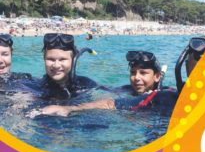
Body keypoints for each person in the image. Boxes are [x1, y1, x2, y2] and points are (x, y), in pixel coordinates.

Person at [31, 50, 178, 117]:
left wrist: (70, 108)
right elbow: (101, 91)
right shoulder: (127, 90)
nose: (136, 78)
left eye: (143, 73)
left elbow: (111, 103)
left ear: (157, 76)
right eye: (133, 73)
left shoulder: (165, 95)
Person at [22, 33, 99, 101]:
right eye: (51, 59)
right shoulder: (34, 86)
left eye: (62, 59)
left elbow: (106, 103)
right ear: (44, 59)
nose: (56, 65)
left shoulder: (86, 84)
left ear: (72, 60)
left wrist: (69, 109)